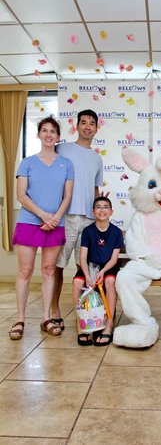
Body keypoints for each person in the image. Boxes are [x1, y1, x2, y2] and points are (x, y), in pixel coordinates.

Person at [9, 117, 74, 340]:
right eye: (44, 130)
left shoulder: (66, 164)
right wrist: (43, 215)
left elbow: (67, 197)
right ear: (38, 135)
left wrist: (55, 218)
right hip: (29, 221)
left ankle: (46, 318)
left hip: (56, 223)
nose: (48, 135)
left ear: (58, 137)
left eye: (53, 131)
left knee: (49, 270)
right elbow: (20, 195)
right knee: (25, 271)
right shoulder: (27, 162)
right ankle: (20, 319)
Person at [51, 109, 103, 330]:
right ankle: (54, 311)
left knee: (85, 269)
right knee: (57, 266)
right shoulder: (62, 148)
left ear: (96, 128)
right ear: (77, 126)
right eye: (84, 122)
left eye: (92, 123)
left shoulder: (97, 158)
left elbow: (95, 189)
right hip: (66, 217)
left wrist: (100, 216)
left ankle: (87, 312)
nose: (88, 126)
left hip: (89, 220)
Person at [72, 196, 124, 346]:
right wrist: (88, 276)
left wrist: (102, 272)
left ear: (111, 211)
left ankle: (108, 326)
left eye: (106, 207)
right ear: (93, 211)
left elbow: (114, 259)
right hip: (90, 267)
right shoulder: (88, 231)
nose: (102, 210)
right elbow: (82, 258)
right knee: (77, 283)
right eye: (98, 207)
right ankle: (81, 326)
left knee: (110, 281)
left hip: (108, 267)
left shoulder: (116, 232)